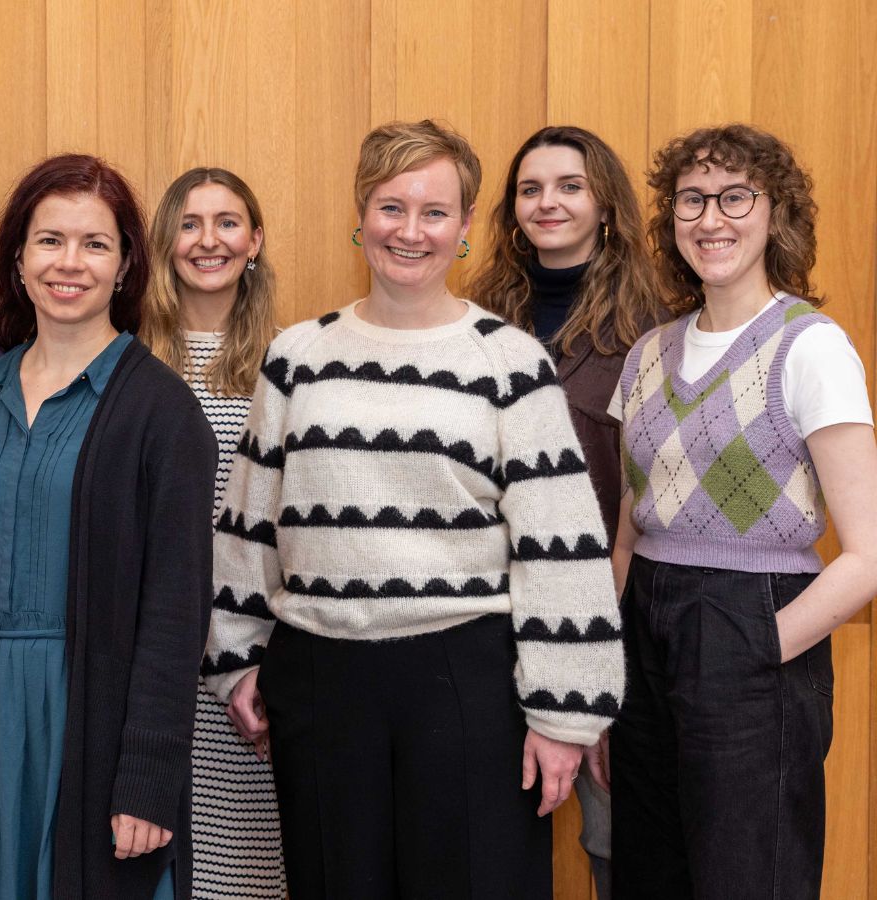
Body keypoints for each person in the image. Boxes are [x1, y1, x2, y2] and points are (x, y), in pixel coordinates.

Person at [203, 120, 625, 899]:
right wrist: (236, 656)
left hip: (468, 683)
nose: (411, 230)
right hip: (321, 682)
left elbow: (561, 548)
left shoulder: (509, 362)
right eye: (391, 207)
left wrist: (566, 712)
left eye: (435, 212)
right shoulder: (297, 357)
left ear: (465, 229)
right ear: (360, 216)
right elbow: (249, 521)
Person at [0, 153, 217, 900]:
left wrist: (149, 773)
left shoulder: (163, 411)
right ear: (17, 257)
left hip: (94, 719)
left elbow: (177, 613)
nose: (68, 263)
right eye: (49, 241)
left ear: (125, 264)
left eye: (94, 243)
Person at [609, 124, 877, 900]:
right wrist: (615, 657)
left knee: (746, 878)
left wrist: (756, 649)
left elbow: (865, 558)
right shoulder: (647, 354)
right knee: (649, 873)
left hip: (752, 622)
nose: (711, 218)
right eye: (692, 199)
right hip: (647, 627)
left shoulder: (812, 348)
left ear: (775, 214)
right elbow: (633, 525)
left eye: (735, 196)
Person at [469, 124, 668, 898]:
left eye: (569, 186)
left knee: (615, 836)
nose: (547, 202)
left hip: (603, 620)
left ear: (605, 204)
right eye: (530, 188)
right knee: (482, 836)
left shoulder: (652, 331)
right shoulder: (475, 321)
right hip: (486, 621)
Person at [137, 167, 285, 900]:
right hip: (151, 650)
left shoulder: (290, 364)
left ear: (254, 241)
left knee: (246, 869)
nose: (208, 240)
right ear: (165, 243)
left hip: (249, 655)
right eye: (189, 224)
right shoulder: (127, 359)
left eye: (228, 222)